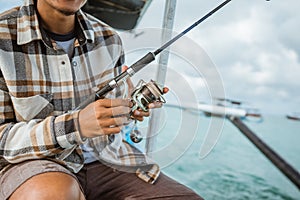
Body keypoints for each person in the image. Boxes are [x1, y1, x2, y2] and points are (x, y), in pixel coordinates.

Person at [0, 0, 203, 199]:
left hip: (109, 159)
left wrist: (129, 110)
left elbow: (108, 114)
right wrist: (76, 125)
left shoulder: (110, 39)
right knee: (55, 192)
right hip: (32, 164)